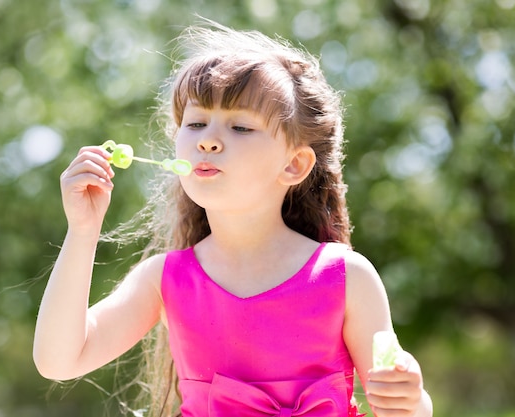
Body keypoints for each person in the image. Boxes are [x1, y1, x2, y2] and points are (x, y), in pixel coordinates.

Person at [33, 19, 433, 417]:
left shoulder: (347, 277)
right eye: (195, 123)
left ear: (294, 165)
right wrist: (83, 232)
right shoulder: (165, 279)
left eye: (240, 126)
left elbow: (401, 405)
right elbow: (60, 360)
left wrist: (411, 400)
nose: (208, 139)